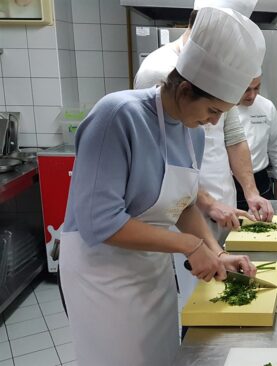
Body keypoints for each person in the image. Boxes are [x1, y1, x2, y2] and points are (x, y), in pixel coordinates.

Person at [59, 7, 261, 366]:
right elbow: (100, 221)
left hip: (151, 270)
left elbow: (182, 206)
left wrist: (215, 252)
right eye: (213, 110)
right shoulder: (118, 116)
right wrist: (189, 245)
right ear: (185, 89)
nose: (214, 123)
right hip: (101, 274)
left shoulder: (190, 133)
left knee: (164, 356)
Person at [134, 0, 270, 307]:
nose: (213, 120)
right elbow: (161, 170)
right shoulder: (158, 73)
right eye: (211, 111)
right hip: (172, 218)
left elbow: (233, 137)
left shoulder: (219, 79)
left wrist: (249, 192)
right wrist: (204, 209)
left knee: (218, 295)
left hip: (208, 205)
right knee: (192, 302)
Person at [234, 76, 277, 210]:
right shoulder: (221, 108)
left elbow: (276, 144)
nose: (252, 95)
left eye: (257, 88)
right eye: (246, 89)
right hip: (230, 182)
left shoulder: (266, 106)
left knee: (267, 226)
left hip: (260, 179)